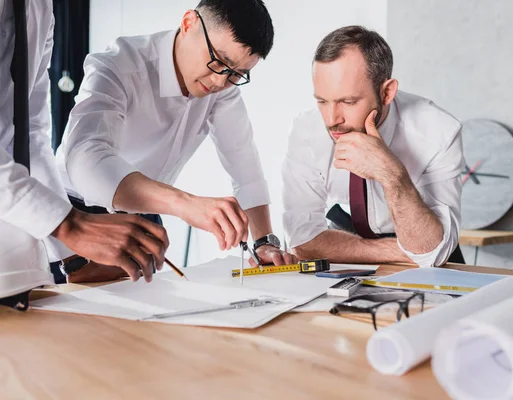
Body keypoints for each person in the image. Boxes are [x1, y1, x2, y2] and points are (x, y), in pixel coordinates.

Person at [54, 0, 295, 282]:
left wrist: (263, 240)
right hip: (75, 215)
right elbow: (84, 158)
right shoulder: (119, 64)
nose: (219, 82)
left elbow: (244, 162)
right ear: (189, 23)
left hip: (145, 217)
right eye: (218, 61)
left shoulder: (223, 88)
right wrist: (186, 204)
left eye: (237, 74)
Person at [0, 0, 169, 309]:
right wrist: (70, 225)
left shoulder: (42, 8)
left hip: (14, 271)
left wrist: (73, 258)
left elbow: (30, 134)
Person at [282, 26, 465, 268]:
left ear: (387, 92)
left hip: (426, 253)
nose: (331, 119)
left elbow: (432, 249)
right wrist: (401, 252)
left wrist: (391, 173)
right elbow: (303, 241)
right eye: (322, 101)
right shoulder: (307, 129)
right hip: (353, 248)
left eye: (348, 101)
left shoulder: (438, 131)